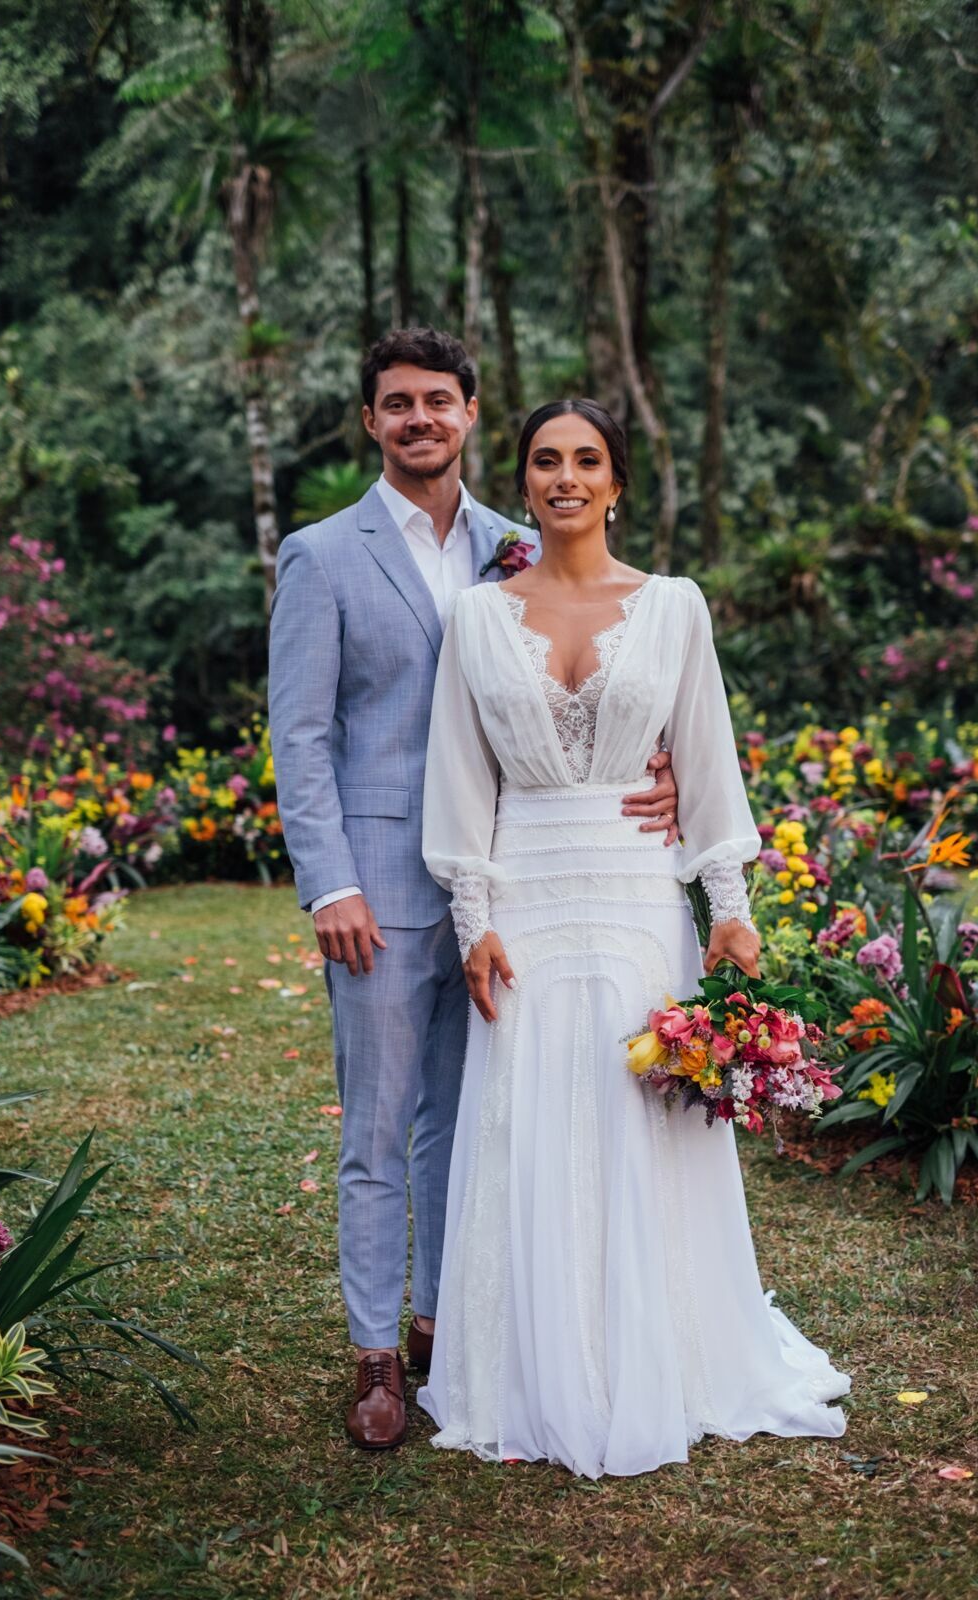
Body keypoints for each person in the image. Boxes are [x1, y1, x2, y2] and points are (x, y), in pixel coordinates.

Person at [419, 397, 850, 1477]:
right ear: (522, 483)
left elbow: (705, 760)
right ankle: (530, 1365)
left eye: (587, 460)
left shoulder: (672, 608)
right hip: (522, 896)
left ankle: (667, 1356)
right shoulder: (476, 618)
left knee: (639, 1116)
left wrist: (732, 908)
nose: (565, 477)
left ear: (617, 483)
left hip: (634, 894)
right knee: (531, 1119)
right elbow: (458, 775)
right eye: (544, 461)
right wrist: (470, 919)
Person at [268, 332, 682, 1450]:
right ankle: (371, 1363)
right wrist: (330, 884)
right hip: (380, 897)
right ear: (370, 421)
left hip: (515, 892)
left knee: (471, 1124)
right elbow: (299, 737)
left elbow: (595, 679)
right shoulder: (321, 554)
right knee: (378, 1125)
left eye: (437, 402)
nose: (418, 419)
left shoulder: (516, 542)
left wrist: (665, 768)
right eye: (396, 403)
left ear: (468, 412)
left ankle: (445, 1329)